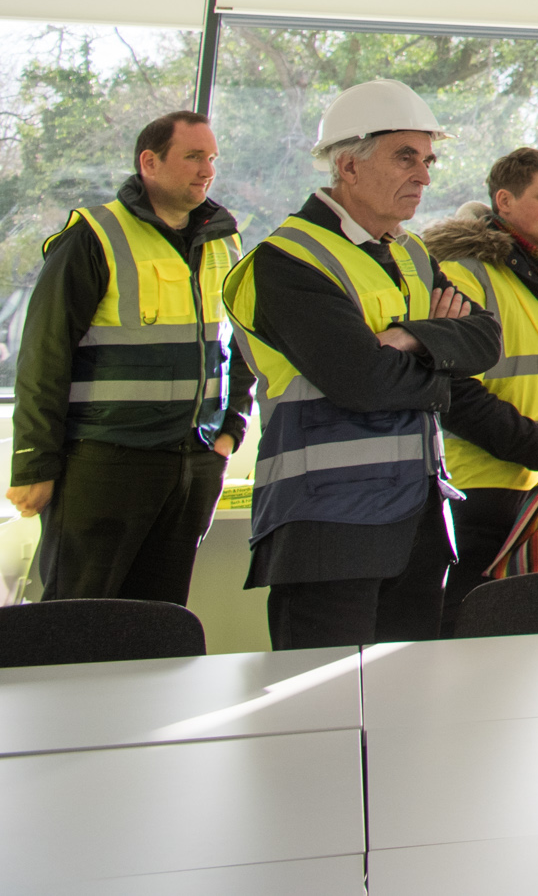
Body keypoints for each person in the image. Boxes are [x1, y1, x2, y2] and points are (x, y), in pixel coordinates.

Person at [223, 81, 506, 648]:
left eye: (428, 159)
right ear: (347, 167)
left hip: (419, 528)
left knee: (406, 710)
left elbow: (486, 340)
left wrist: (405, 337)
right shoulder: (287, 260)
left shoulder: (411, 251)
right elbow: (363, 381)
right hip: (327, 528)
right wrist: (440, 368)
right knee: (322, 715)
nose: (425, 176)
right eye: (406, 157)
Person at [6, 111, 251, 604]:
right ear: (150, 162)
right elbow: (43, 355)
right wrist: (34, 464)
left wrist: (232, 428)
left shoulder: (224, 240)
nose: (207, 170)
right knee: (78, 614)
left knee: (158, 618)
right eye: (193, 157)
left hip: (193, 463)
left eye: (212, 159)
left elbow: (242, 340)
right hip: (105, 461)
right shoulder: (93, 236)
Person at [423, 147, 538, 635]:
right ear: (503, 201)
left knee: (531, 633)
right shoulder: (460, 275)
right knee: (466, 630)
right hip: (477, 492)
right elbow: (455, 397)